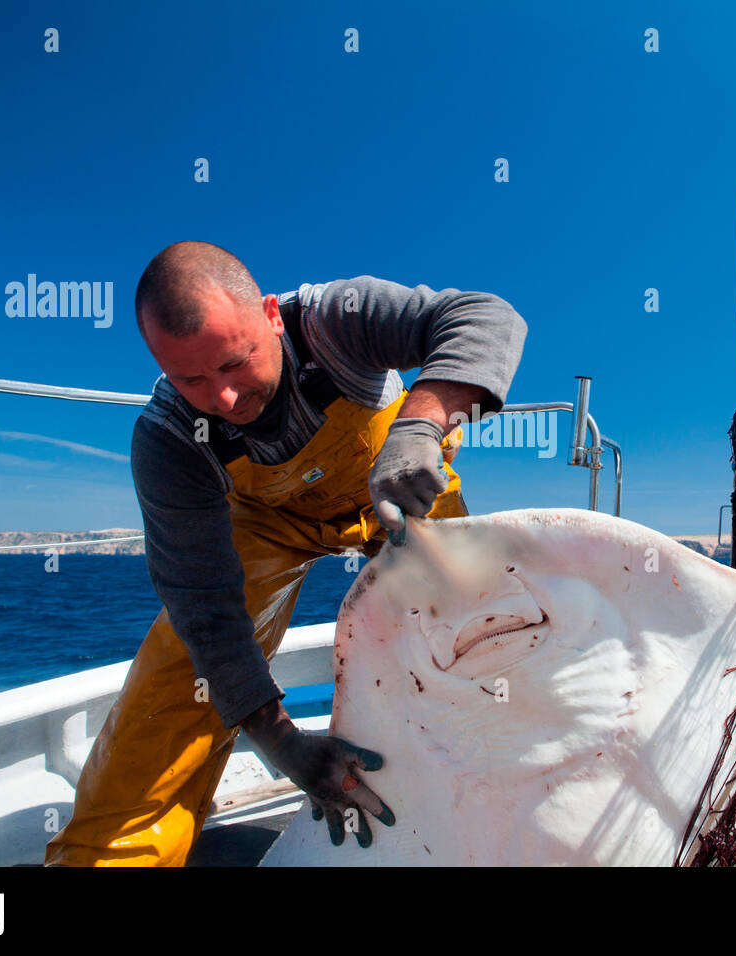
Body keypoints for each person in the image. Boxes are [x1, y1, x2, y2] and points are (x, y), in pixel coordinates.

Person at [45, 241, 526, 865]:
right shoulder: (168, 441)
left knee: (485, 623)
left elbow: (485, 316)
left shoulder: (335, 321)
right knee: (182, 680)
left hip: (398, 488)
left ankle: (505, 791)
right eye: (190, 379)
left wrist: (419, 426)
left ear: (272, 316)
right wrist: (284, 745)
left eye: (235, 363)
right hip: (266, 526)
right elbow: (208, 615)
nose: (222, 399)